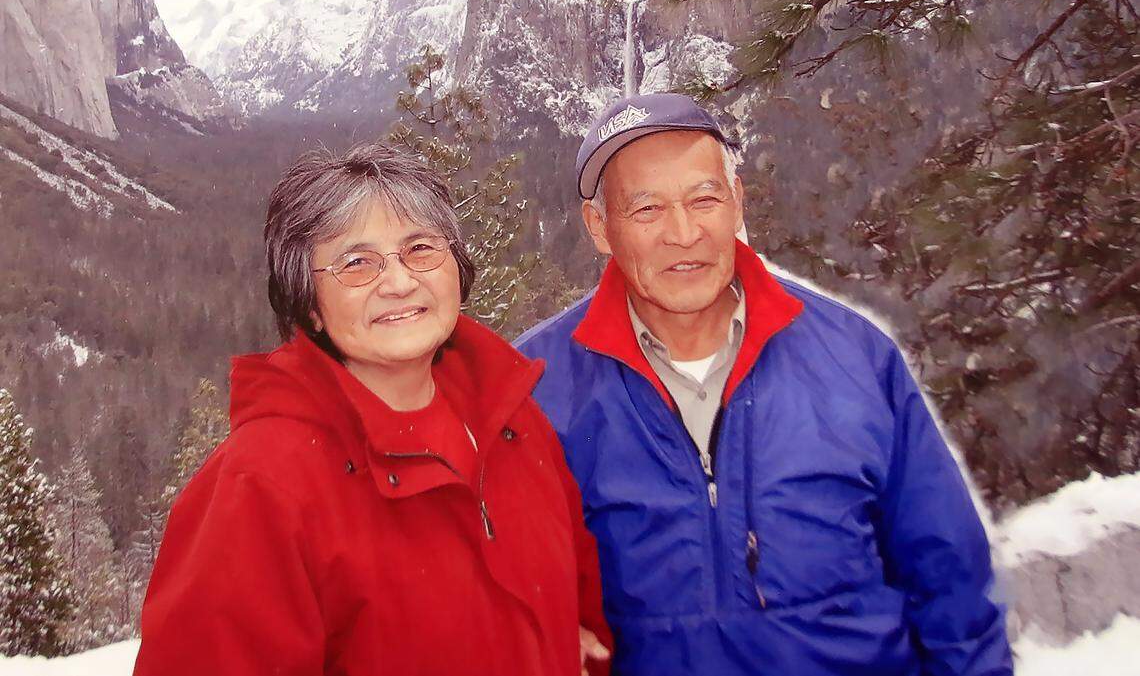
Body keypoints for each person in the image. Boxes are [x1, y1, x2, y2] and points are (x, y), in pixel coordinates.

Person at [516, 93, 1013, 675]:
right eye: (646, 210)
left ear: (737, 201)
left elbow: (948, 572)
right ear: (600, 227)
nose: (684, 233)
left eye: (704, 199)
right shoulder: (536, 389)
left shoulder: (851, 355)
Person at [134, 143, 611, 676]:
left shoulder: (512, 420)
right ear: (310, 305)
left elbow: (575, 589)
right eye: (356, 263)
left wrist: (541, 637)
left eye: (421, 249)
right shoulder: (260, 485)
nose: (400, 282)